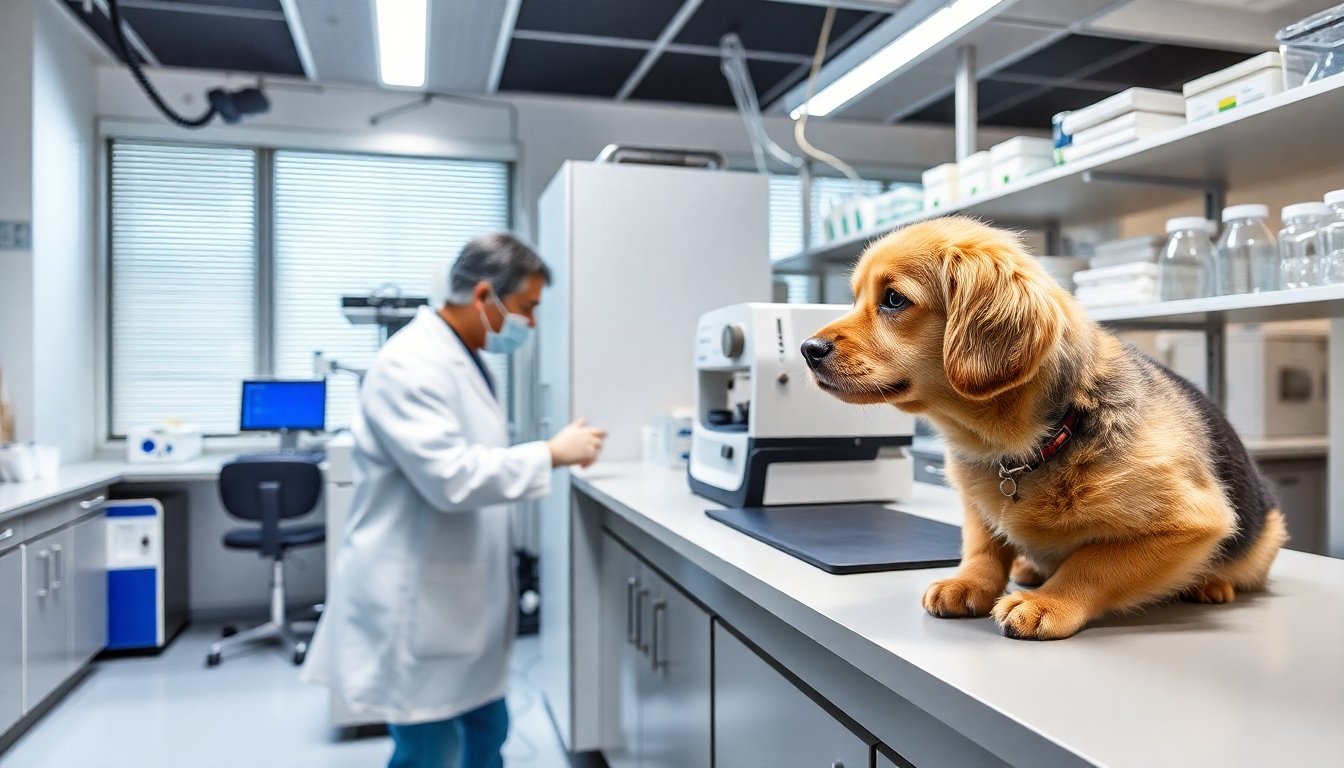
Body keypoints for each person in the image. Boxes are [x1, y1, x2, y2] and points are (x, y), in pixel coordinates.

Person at [302, 234, 606, 768]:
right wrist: (550, 454)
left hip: (460, 598)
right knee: (428, 749)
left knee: (487, 730)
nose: (530, 324)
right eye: (527, 308)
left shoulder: (460, 356)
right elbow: (450, 477)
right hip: (414, 601)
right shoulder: (408, 364)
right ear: (486, 295)